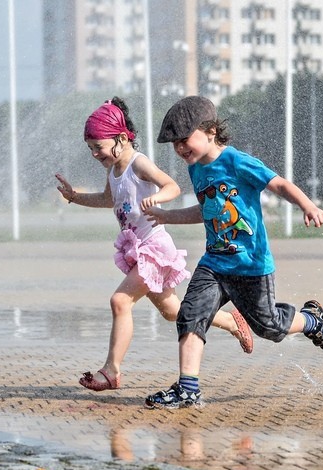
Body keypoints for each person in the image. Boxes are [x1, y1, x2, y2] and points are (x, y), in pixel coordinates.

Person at [143, 95, 323, 409]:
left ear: (209, 131)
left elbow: (279, 185)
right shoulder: (196, 170)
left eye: (184, 140)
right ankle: (188, 389)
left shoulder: (236, 161)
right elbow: (207, 210)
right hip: (214, 264)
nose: (179, 149)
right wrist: (169, 216)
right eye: (174, 144)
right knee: (190, 314)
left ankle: (312, 320)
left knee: (270, 328)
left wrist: (308, 205)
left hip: (250, 266)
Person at [55, 97, 253, 393]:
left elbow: (171, 185)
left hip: (154, 247)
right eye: (91, 148)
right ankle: (231, 321)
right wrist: (74, 197)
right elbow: (109, 199)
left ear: (121, 138)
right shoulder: (113, 170)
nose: (95, 153)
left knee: (120, 301)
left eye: (99, 146)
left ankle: (111, 371)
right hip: (137, 249)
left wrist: (158, 199)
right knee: (174, 312)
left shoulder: (139, 163)